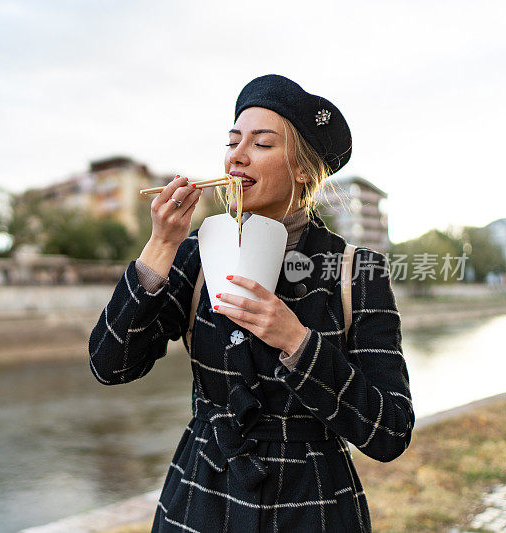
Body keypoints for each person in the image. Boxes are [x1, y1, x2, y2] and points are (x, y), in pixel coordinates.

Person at [88, 74, 414, 532]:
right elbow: (110, 365)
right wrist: (160, 244)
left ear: (303, 168)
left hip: (314, 506)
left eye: (262, 143)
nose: (237, 155)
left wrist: (298, 342)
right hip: (200, 499)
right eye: (233, 141)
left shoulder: (357, 270)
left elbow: (391, 432)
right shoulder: (195, 252)